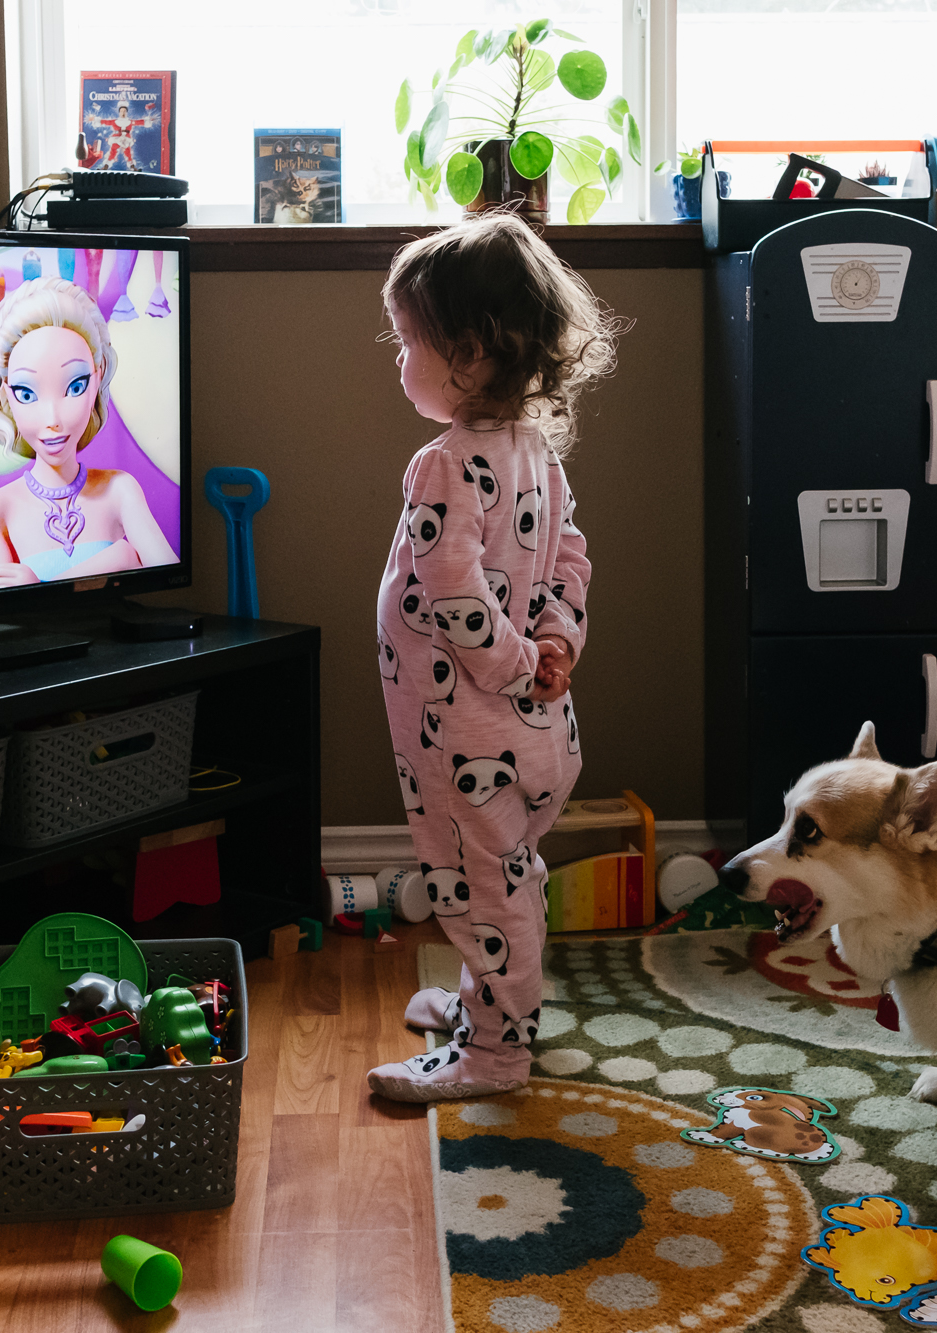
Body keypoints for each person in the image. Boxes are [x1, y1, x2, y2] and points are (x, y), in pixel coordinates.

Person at [367, 212, 617, 1101]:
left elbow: (454, 594)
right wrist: (557, 642)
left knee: (483, 893)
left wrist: (513, 662)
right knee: (506, 876)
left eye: (407, 342)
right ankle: (485, 1007)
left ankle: (497, 1054)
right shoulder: (535, 455)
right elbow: (570, 559)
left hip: (465, 734)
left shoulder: (443, 463)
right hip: (536, 731)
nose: (398, 360)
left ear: (467, 356)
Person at [0, 277, 174, 587]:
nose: (53, 419)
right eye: (27, 393)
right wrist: (120, 557)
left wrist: (38, 590)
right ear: (6, 395)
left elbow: (167, 578)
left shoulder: (120, 490)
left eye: (74, 386)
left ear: (97, 378)